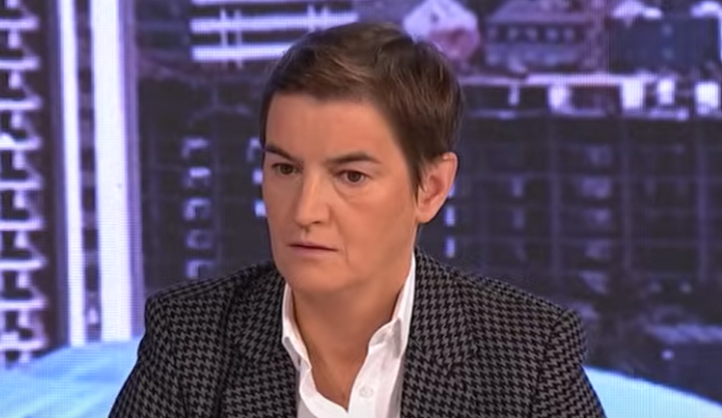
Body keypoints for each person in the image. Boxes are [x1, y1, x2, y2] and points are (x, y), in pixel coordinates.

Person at [109, 22, 606, 418]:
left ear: (431, 188)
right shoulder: (189, 341)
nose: (304, 211)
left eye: (350, 176)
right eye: (285, 169)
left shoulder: (526, 356)